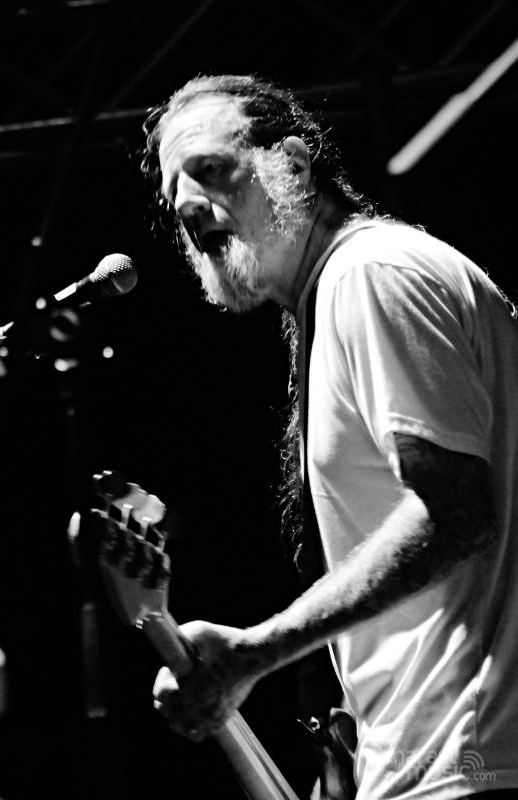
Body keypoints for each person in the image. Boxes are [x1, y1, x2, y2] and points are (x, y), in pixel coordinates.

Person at [140, 74, 518, 799]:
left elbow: (455, 511)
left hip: (467, 757)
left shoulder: (369, 274)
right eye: (172, 196)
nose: (187, 205)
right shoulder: (343, 289)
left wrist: (257, 651)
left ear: (292, 163)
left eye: (210, 170)